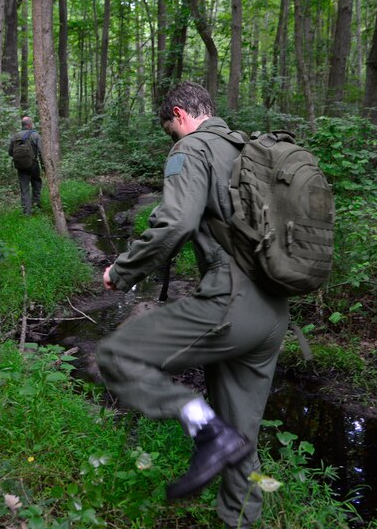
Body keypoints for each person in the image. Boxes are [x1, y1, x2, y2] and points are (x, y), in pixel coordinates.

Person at [95, 82, 290, 529]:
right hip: (274, 310)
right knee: (242, 436)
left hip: (231, 301)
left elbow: (177, 222)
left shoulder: (193, 149)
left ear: (179, 115)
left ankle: (205, 429)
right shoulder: (250, 149)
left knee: (116, 354)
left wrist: (122, 272)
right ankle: (240, 520)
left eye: (170, 130)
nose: (172, 139)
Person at [7, 116, 43, 215]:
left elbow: (10, 152)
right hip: (33, 165)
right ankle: (36, 208)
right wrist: (44, 167)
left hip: (21, 167)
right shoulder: (35, 135)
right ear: (30, 125)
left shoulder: (15, 136)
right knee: (36, 184)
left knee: (24, 189)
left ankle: (26, 213)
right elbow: (41, 152)